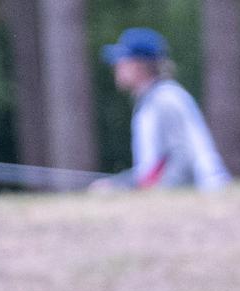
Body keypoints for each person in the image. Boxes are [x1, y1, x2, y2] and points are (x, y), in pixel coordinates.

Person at [96, 28, 230, 192]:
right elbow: (151, 167)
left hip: (201, 195)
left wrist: (158, 192)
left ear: (140, 65)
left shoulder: (166, 99)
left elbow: (184, 157)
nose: (116, 66)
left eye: (122, 61)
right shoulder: (152, 99)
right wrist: (118, 184)